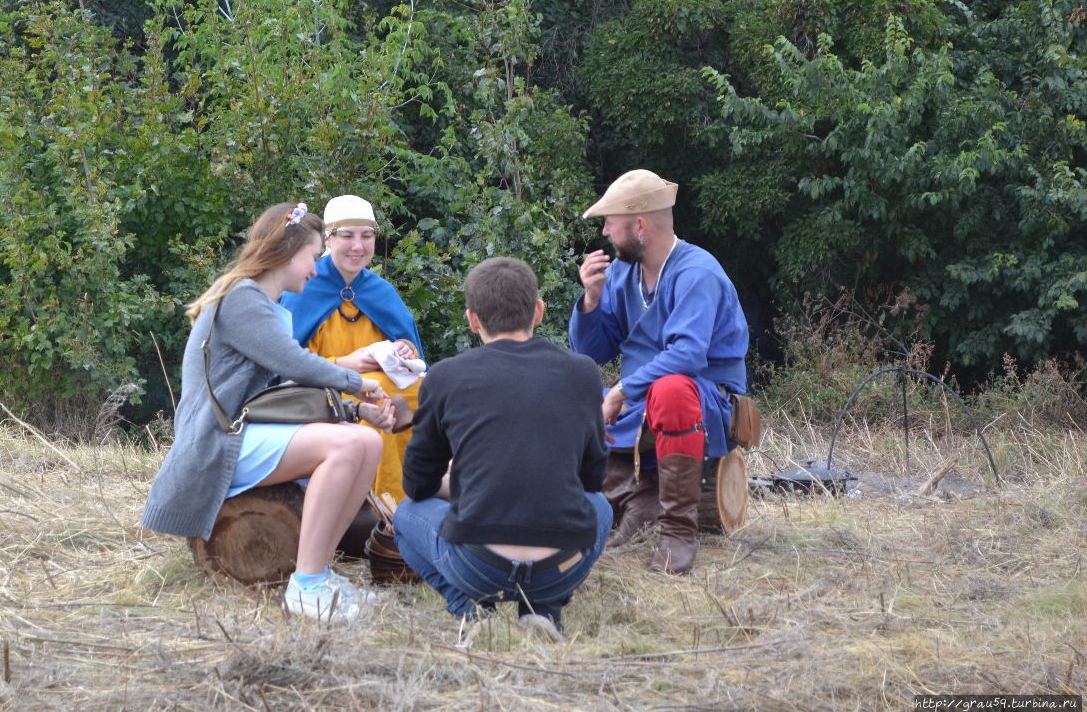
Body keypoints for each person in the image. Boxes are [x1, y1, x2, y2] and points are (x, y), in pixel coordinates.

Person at [140, 202, 398, 623]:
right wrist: (356, 383)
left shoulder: (263, 302)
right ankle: (306, 586)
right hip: (218, 441)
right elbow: (295, 365)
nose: (315, 269)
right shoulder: (243, 299)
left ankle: (318, 571)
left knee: (367, 442)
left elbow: (281, 392)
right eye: (312, 256)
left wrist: (355, 411)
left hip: (243, 430)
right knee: (347, 448)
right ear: (288, 252)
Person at [394, 258, 611, 640]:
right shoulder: (583, 373)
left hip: (477, 565)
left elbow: (417, 485)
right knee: (601, 507)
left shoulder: (444, 376)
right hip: (559, 566)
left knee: (405, 514)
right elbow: (592, 479)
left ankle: (473, 613)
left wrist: (462, 484)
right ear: (538, 311)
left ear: (472, 319)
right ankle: (544, 611)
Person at [570, 170, 749, 575]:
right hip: (640, 397)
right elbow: (591, 353)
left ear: (640, 225)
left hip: (703, 398)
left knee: (670, 389)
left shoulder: (696, 272)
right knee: (567, 394)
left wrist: (621, 392)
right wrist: (591, 300)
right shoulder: (622, 275)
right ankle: (638, 499)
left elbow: (687, 355)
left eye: (610, 222)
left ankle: (677, 532)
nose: (604, 232)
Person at [280, 195, 424, 504]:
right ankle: (387, 505)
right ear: (328, 239)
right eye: (347, 235)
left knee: (425, 393)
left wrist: (404, 349)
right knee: (381, 399)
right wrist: (346, 364)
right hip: (319, 391)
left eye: (367, 235)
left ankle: (421, 493)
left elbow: (412, 349)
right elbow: (283, 368)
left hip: (378, 386)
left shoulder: (380, 292)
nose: (358, 246)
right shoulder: (303, 287)